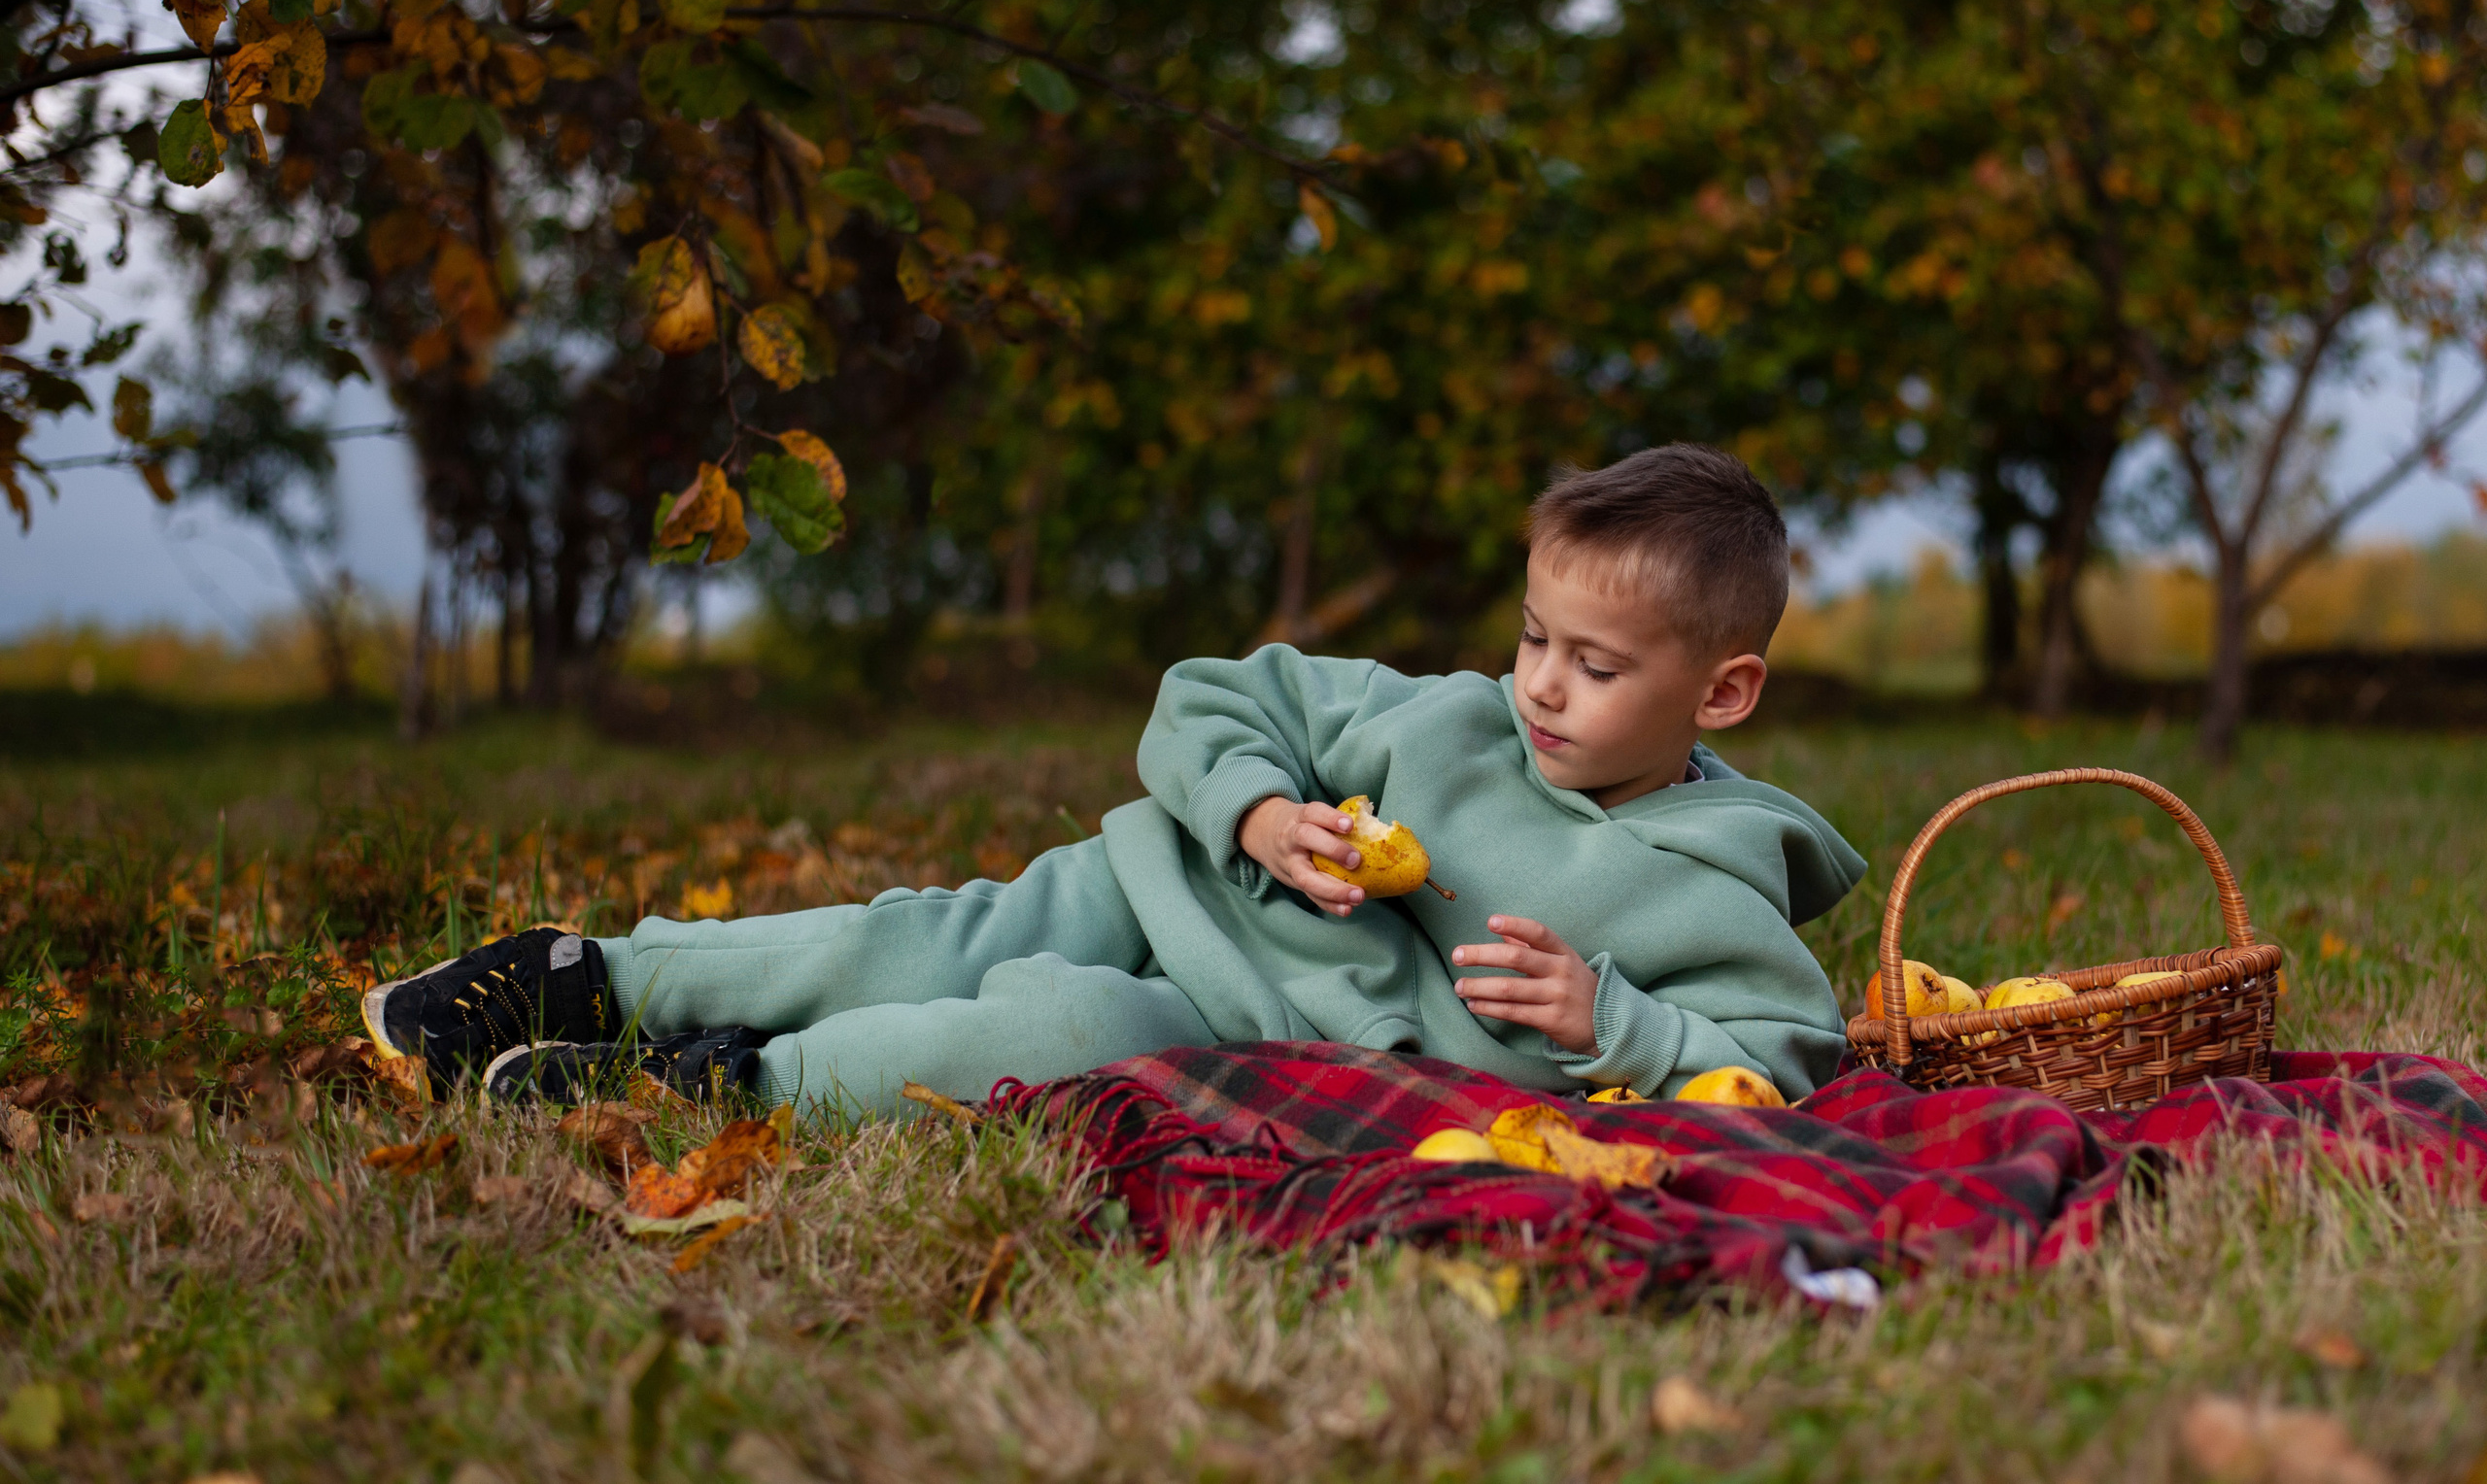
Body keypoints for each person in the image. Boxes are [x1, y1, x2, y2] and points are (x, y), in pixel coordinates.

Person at [360, 443, 1865, 1117]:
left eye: (1594, 667)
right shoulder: (1451, 717)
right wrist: (1262, 813)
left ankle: (722, 1084)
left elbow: (1784, 1058)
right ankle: (600, 978)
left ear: (1719, 689)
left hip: (1252, 1027)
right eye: (1535, 634)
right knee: (927, 932)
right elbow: (1217, 698)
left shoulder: (1714, 873)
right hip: (1180, 879)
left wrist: (1617, 1021)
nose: (1540, 682)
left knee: (1059, 1026)